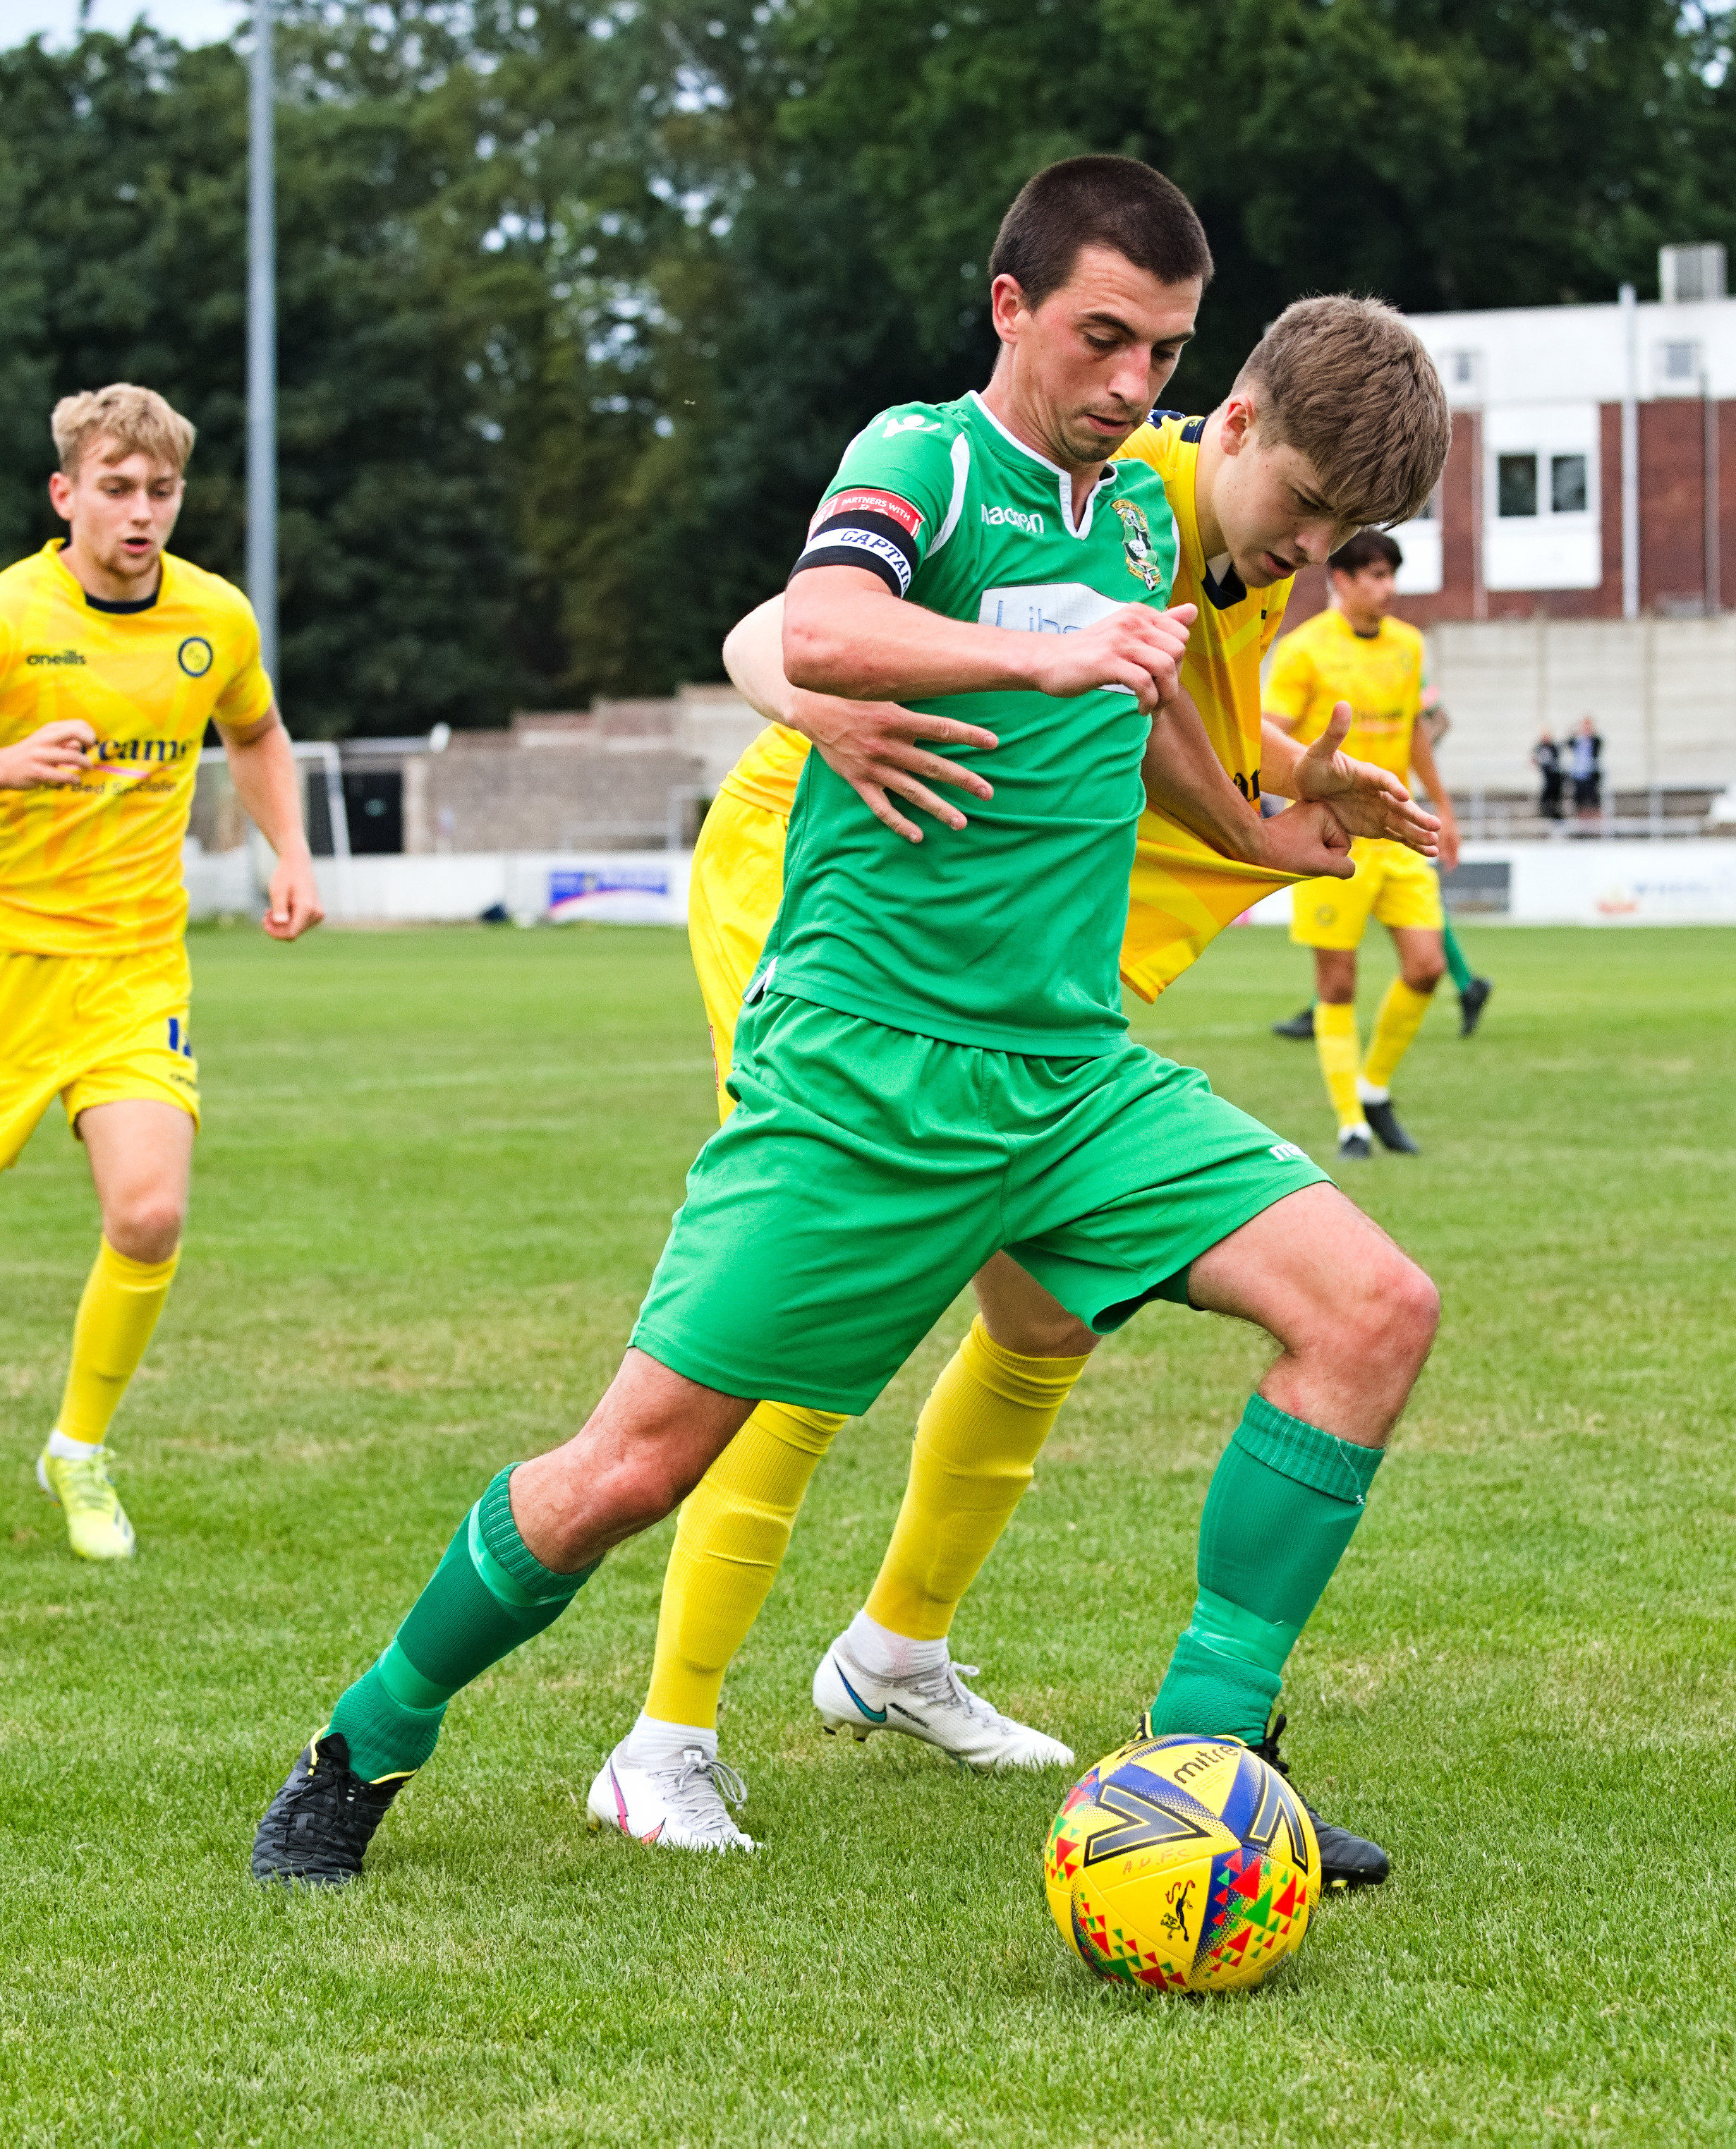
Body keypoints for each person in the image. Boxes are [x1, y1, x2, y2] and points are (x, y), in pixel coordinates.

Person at [252, 157, 1449, 1894]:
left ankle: (1203, 1766)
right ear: (1012, 309)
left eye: (1164, 354)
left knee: (1373, 1310)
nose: (1133, 384)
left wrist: (1271, 802)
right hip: (868, 1074)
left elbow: (1154, 710)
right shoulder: (922, 458)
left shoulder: (1131, 515)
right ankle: (366, 1741)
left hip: (1069, 1077)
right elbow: (811, 619)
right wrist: (991, 667)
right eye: (1105, 338)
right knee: (631, 1467)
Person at [588, 294, 1447, 1858]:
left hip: (1029, 972)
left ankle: (892, 1656)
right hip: (832, 906)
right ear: (1231, 430)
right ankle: (666, 1735)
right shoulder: (1107, 479)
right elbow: (769, 628)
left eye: (1350, 534)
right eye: (1309, 510)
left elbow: (1175, 733)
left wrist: (1298, 783)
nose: (1313, 554)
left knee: (1047, 1312)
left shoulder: (1220, 561)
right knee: (809, 1298)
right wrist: (808, 696)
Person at [1, 385, 322, 1561]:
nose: (142, 513)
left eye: (162, 492)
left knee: (148, 1212)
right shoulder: (12, 613)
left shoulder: (215, 619)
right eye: (118, 489)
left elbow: (255, 733)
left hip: (135, 969)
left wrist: (290, 850)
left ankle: (78, 1448)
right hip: (8, 963)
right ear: (65, 493)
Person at [1265, 531, 1463, 1158]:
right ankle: (1350, 1122)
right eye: (1375, 575)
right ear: (1342, 580)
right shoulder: (1303, 651)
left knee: (1428, 968)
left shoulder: (1410, 645)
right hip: (1335, 832)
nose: (1388, 588)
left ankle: (1374, 1087)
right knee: (1338, 982)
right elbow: (1267, 734)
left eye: (1391, 576)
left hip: (1399, 829)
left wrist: (1446, 806)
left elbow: (1413, 735)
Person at [1274, 678, 1492, 1044]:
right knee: (1391, 923)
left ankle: (1326, 1012)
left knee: (1413, 932)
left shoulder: (1401, 657)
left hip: (1376, 806)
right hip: (1354, 800)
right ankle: (1467, 983)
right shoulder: (1321, 654)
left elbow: (1427, 722)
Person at [1567, 715, 1603, 819]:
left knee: (1593, 801)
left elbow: (1599, 744)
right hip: (1579, 775)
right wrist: (1576, 732)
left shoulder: (1595, 740)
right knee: (1579, 802)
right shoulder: (1578, 741)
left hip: (1591, 775)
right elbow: (1568, 743)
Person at [1534, 727, 1565, 822]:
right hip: (1548, 777)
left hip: (1555, 777)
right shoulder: (1539, 747)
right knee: (1548, 793)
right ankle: (1547, 811)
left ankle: (1554, 813)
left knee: (1554, 794)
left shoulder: (1553, 747)